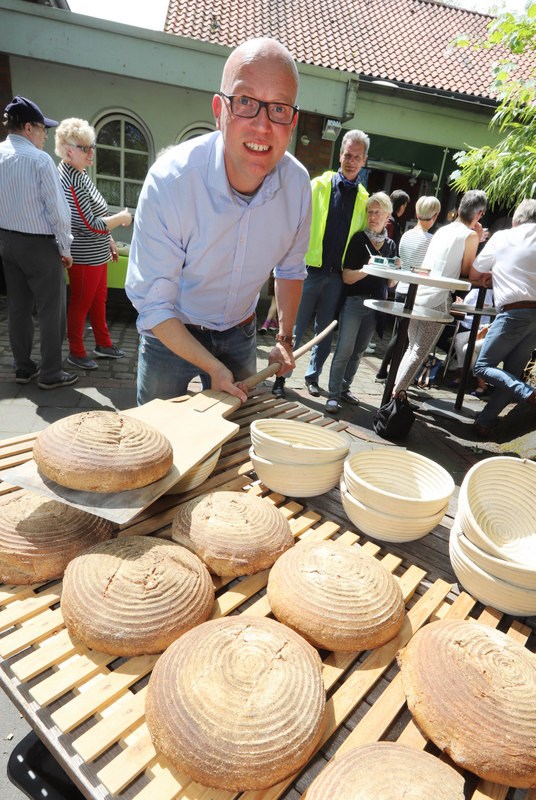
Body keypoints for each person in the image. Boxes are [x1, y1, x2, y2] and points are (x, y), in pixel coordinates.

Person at [126, 38, 311, 406]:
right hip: (172, 331)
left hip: (241, 330)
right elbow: (155, 305)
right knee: (157, 438)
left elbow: (290, 269)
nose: (262, 125)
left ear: (293, 121)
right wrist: (212, 365)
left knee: (238, 436)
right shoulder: (171, 181)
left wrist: (283, 339)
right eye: (245, 102)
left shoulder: (297, 185)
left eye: (278, 108)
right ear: (219, 109)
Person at [272, 129, 370, 399]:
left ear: (364, 161)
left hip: (337, 277)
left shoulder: (364, 199)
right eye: (347, 155)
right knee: (292, 328)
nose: (351, 161)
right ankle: (280, 379)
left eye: (357, 157)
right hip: (308, 272)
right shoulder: (317, 185)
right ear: (340, 155)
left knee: (324, 332)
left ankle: (312, 377)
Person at [0, 95, 78, 390]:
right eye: (43, 129)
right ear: (29, 127)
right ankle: (51, 373)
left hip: (7, 241)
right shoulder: (39, 160)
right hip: (38, 244)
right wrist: (65, 247)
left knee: (18, 307)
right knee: (51, 309)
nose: (46, 134)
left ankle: (23, 367)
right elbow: (58, 211)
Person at [55, 118, 133, 370]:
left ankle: (103, 344)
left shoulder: (79, 173)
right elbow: (88, 224)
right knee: (81, 303)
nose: (91, 153)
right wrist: (120, 219)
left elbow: (94, 219)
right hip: (85, 254)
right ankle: (76, 352)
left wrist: (108, 239)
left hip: (96, 252)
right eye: (85, 148)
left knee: (99, 300)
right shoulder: (71, 179)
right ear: (69, 150)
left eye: (92, 146)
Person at [392, 190, 487, 395]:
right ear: (479, 214)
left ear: (460, 209)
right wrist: (478, 240)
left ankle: (395, 390)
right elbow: (468, 271)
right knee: (419, 351)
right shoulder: (469, 235)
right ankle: (396, 394)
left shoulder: (443, 230)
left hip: (419, 292)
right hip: (438, 299)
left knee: (412, 348)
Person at [468, 198, 536, 437]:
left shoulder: (503, 236)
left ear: (516, 220)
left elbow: (474, 272)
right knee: (512, 372)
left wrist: (492, 274)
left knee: (482, 366)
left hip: (514, 312)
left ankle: (527, 393)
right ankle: (484, 422)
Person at [325, 192, 397, 414]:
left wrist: (395, 268)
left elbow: (391, 284)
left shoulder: (391, 245)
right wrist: (367, 270)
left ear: (388, 217)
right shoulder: (358, 239)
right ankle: (333, 395)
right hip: (355, 302)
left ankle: (345, 388)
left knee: (359, 351)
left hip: (377, 305)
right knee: (344, 350)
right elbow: (346, 277)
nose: (373, 217)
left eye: (378, 213)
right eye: (370, 212)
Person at [376, 195, 441, 382]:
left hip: (401, 287)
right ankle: (391, 375)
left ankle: (384, 371)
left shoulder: (406, 234)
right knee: (406, 338)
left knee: (399, 334)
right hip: (417, 291)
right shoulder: (431, 239)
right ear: (435, 215)